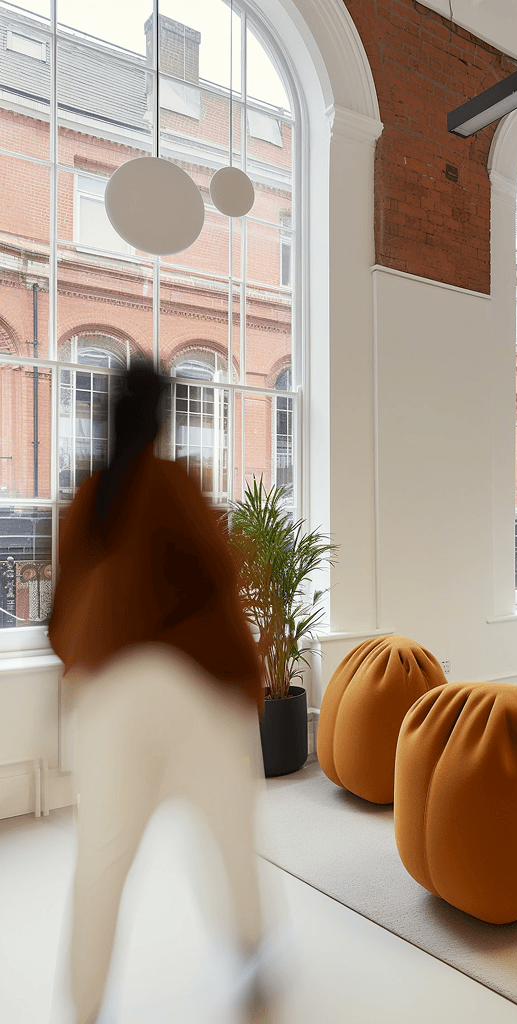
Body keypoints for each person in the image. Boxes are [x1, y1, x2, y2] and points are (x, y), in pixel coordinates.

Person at [47, 360, 269, 1024]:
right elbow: (220, 578)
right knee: (229, 829)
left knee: (101, 859)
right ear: (161, 417)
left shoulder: (89, 497)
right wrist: (246, 680)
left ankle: (84, 1005)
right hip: (185, 688)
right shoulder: (173, 483)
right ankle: (252, 951)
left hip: (105, 696)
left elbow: (60, 620)